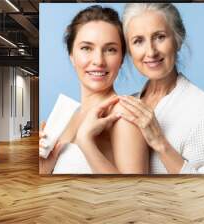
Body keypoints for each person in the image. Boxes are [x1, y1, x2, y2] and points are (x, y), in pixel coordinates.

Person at [118, 3, 204, 175]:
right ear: (129, 50)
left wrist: (161, 143)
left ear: (178, 40)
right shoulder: (128, 106)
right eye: (138, 41)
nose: (151, 52)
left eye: (159, 37)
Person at [39, 5, 149, 174]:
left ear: (121, 59)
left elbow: (136, 194)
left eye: (110, 50)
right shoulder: (68, 116)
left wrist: (86, 143)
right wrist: (44, 170)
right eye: (86, 48)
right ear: (72, 56)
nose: (98, 60)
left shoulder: (124, 115)